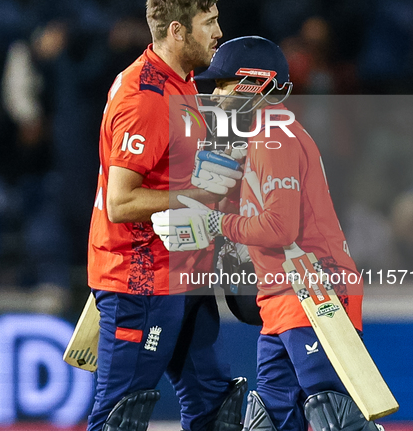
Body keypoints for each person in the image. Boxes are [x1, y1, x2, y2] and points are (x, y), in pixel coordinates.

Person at [152, 36, 384, 431]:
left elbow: (279, 226)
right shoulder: (261, 137)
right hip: (282, 295)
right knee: (271, 420)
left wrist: (213, 225)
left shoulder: (274, 138)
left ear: (251, 84)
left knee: (333, 414)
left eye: (223, 86)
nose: (217, 98)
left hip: (314, 290)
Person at [86, 0, 246, 431]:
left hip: (180, 272)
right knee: (121, 415)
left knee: (217, 409)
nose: (219, 32)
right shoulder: (146, 99)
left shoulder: (181, 80)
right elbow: (121, 202)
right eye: (209, 22)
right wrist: (195, 197)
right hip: (141, 283)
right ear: (178, 31)